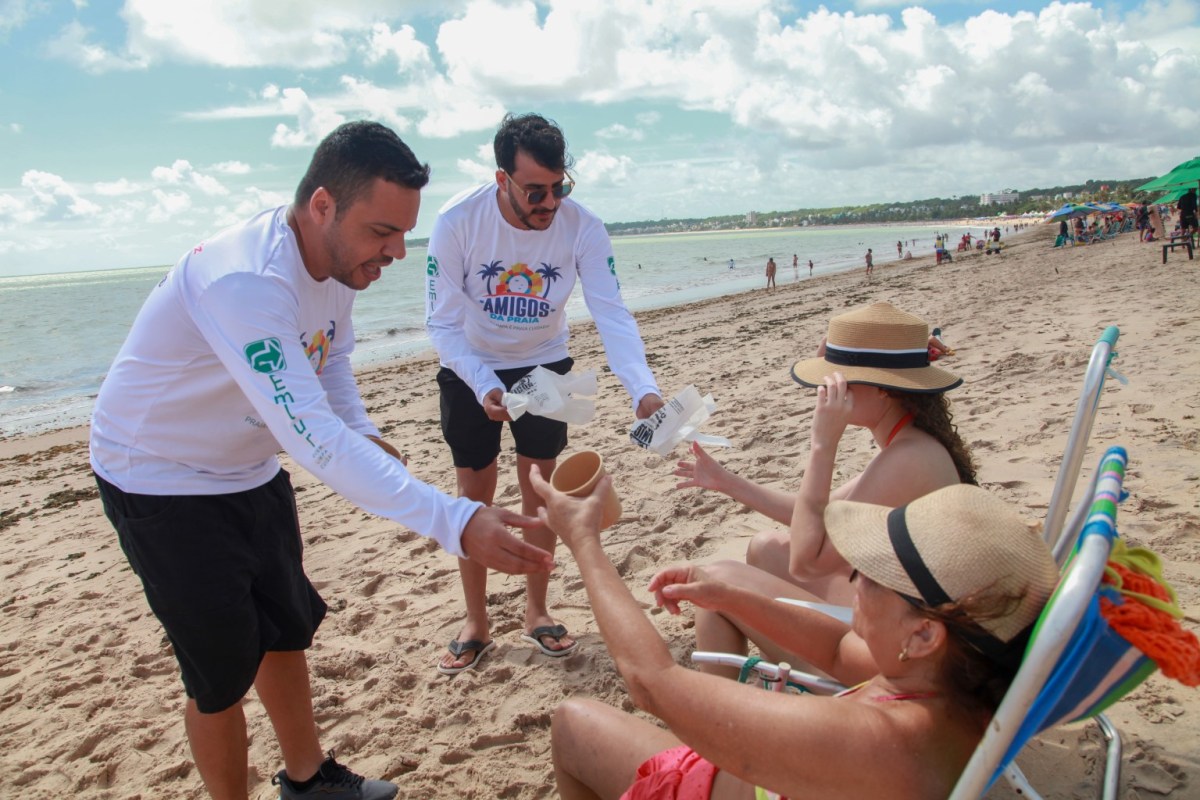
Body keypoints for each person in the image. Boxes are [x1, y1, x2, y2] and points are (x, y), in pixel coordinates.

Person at [90, 122, 553, 800]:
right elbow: (310, 436)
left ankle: (308, 781)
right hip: (159, 476)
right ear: (322, 206)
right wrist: (453, 519)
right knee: (220, 674)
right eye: (382, 232)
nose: (397, 251)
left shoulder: (337, 266)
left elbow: (330, 359)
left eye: (404, 233)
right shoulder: (246, 281)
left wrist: (362, 428)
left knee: (285, 629)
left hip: (247, 466)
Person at [539, 471, 1059, 800]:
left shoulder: (882, 741)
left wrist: (584, 540)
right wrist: (731, 598)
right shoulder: (952, 685)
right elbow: (834, 648)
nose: (855, 576)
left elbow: (652, 681)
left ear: (924, 633)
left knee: (572, 724)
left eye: (874, 574)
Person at [425, 112, 664, 676]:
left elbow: (611, 311)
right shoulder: (457, 220)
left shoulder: (582, 226)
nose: (549, 203)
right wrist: (484, 383)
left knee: (540, 492)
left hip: (545, 365)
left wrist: (643, 392)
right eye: (535, 191)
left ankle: (537, 611)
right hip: (471, 367)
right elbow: (441, 324)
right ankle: (476, 621)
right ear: (501, 177)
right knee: (474, 498)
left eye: (560, 188)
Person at [669, 302, 977, 672]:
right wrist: (726, 482)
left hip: (904, 658)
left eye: (840, 377)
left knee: (715, 583)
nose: (830, 387)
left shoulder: (909, 460)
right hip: (902, 620)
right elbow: (817, 515)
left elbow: (807, 559)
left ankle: (728, 719)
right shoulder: (909, 443)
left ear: (884, 390)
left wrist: (823, 444)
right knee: (765, 548)